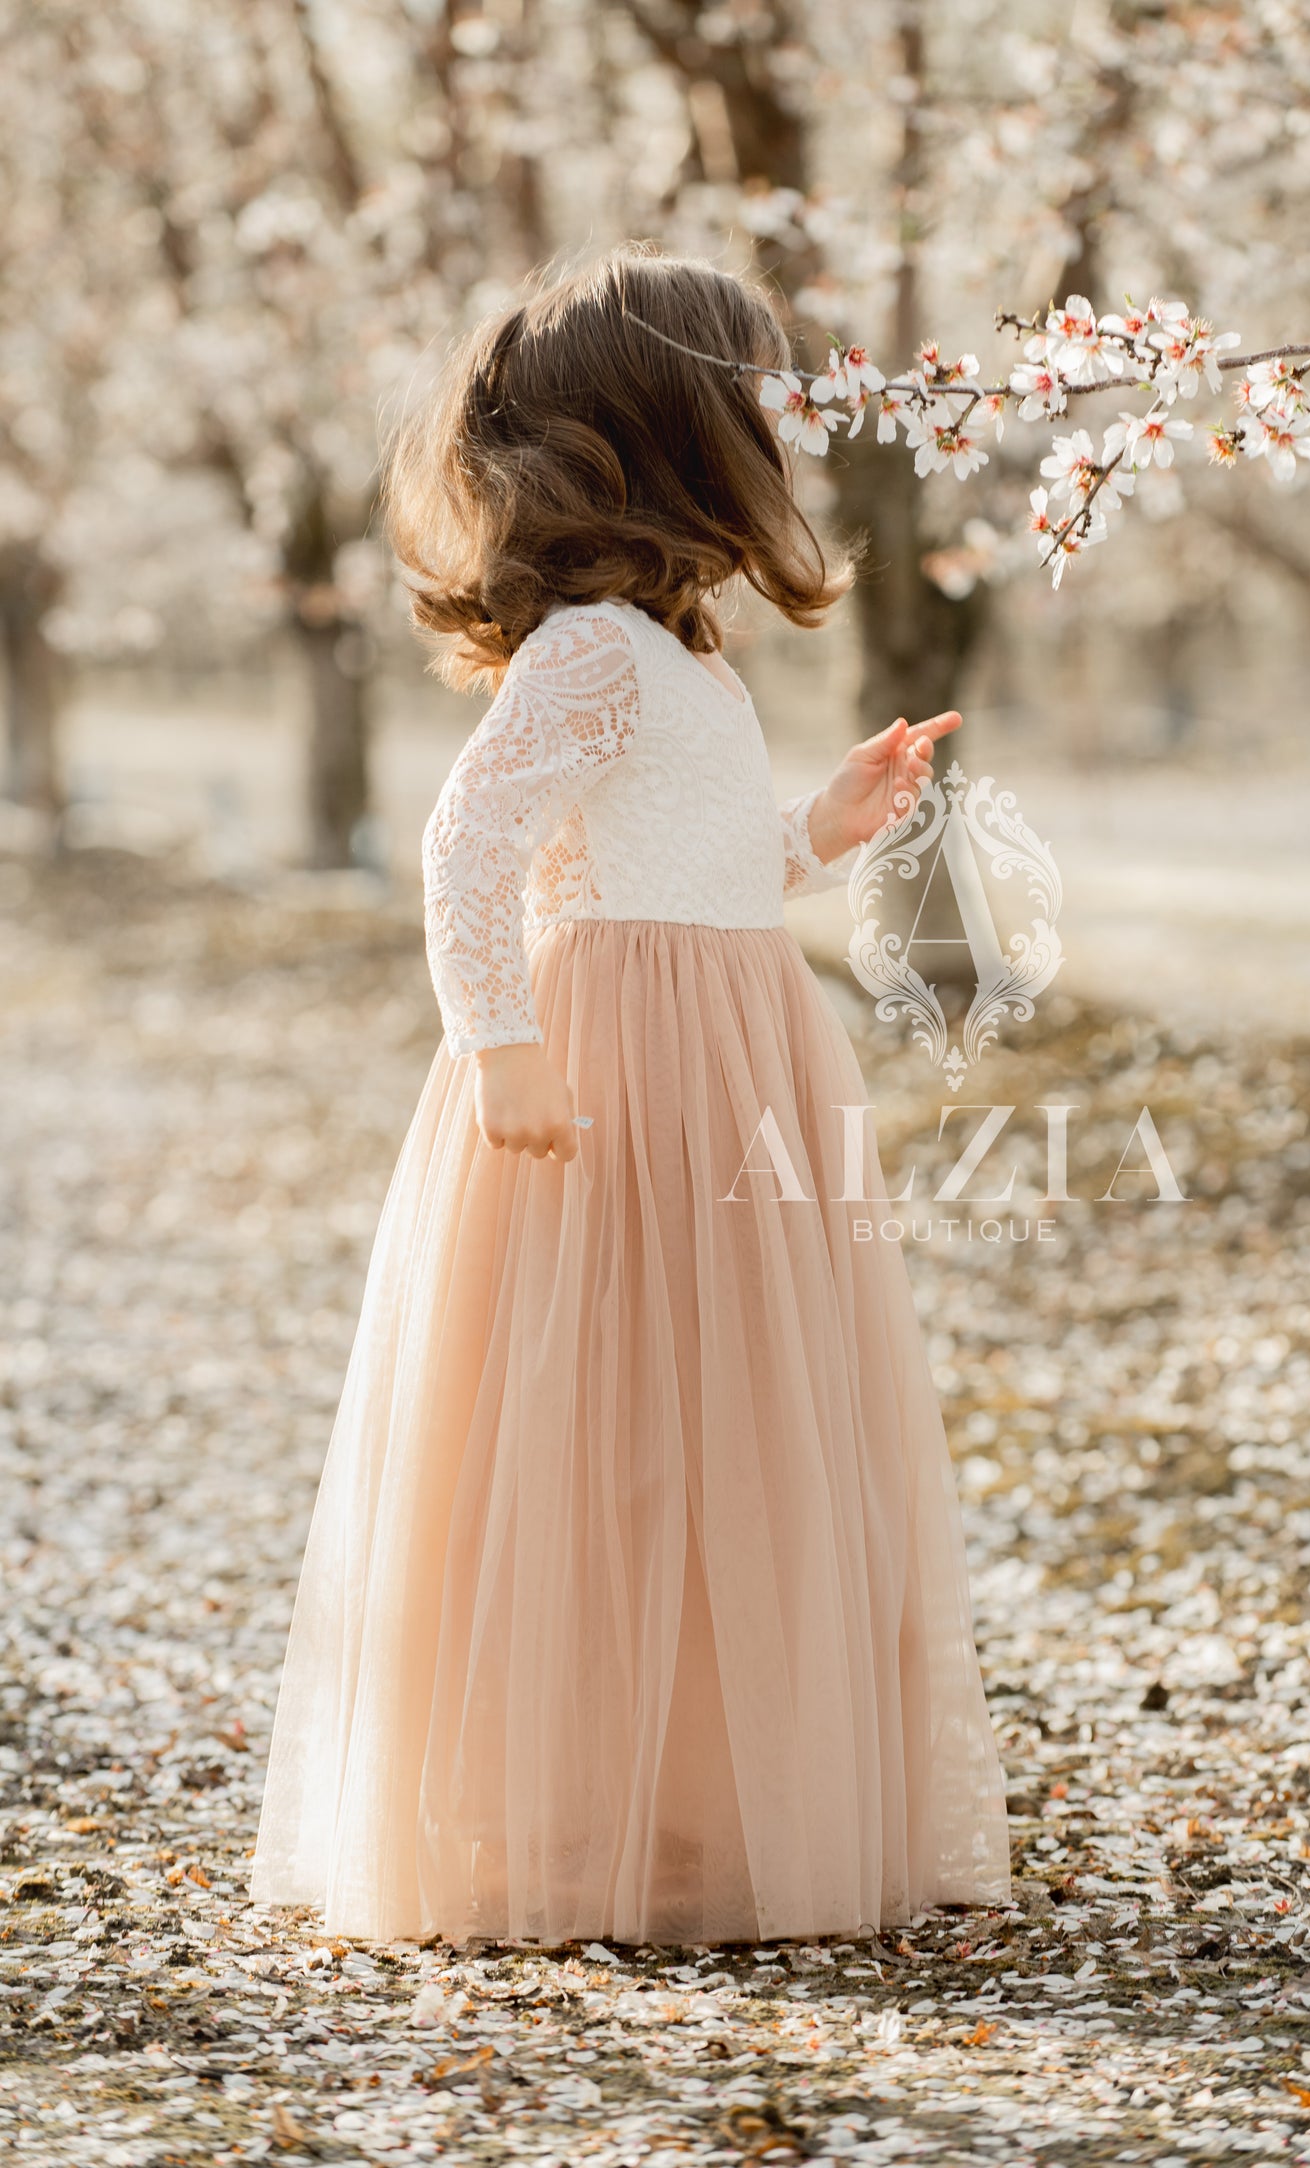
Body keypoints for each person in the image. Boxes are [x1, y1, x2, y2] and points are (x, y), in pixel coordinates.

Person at [249, 244, 1009, 1945]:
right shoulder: (589, 652)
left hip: (729, 1035)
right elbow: (470, 845)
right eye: (756, 402)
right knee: (601, 1410)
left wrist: (819, 826)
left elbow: (699, 866)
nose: (785, 431)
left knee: (721, 1409)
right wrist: (499, 1038)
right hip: (608, 1067)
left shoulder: (683, 659)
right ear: (671, 439)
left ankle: (695, 1793)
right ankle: (572, 1798)